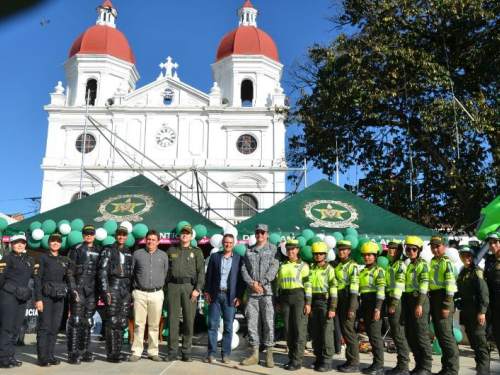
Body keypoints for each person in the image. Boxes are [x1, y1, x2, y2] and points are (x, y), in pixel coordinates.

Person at [240, 223, 280, 368]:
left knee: (269, 323)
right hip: (252, 293)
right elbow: (243, 269)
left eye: (263, 233)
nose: (260, 235)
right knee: (252, 323)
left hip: (267, 293)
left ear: (267, 234)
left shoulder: (274, 250)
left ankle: (269, 354)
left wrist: (261, 283)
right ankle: (254, 354)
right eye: (257, 232)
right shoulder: (248, 250)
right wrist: (252, 284)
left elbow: (274, 268)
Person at [165, 225, 205, 362]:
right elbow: (165, 270)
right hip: (173, 287)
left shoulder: (196, 251)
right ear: (179, 235)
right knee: (172, 320)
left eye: (187, 233)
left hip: (190, 288)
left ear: (191, 236)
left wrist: (197, 289)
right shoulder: (171, 250)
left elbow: (201, 272)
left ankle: (186, 351)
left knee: (189, 320)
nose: (184, 235)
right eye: (182, 233)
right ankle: (172, 351)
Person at [203, 233, 245, 364]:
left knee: (228, 327)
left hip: (230, 297)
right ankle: (211, 353)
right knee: (212, 325)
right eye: (226, 242)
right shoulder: (215, 257)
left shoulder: (239, 259)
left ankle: (225, 354)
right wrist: (206, 292)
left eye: (230, 243)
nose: (228, 244)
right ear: (223, 243)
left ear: (234, 244)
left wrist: (239, 296)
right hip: (215, 295)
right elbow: (208, 275)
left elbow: (241, 280)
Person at [129, 230, 169, 362]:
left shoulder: (163, 255)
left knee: (154, 325)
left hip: (156, 293)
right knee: (139, 324)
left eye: (153, 240)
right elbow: (132, 272)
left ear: (158, 241)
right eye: (149, 239)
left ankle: (153, 351)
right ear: (145, 240)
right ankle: (137, 351)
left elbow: (165, 272)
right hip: (140, 292)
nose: (151, 242)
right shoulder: (137, 254)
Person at [97, 226, 133, 363]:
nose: (121, 237)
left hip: (125, 290)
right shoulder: (108, 250)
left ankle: (117, 352)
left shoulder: (128, 251)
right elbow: (102, 272)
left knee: (122, 322)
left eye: (124, 235)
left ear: (127, 236)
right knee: (112, 321)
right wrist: (105, 291)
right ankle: (111, 354)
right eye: (119, 234)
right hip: (113, 287)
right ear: (115, 235)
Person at [67, 225, 101, 364]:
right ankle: (72, 353)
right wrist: (73, 287)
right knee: (75, 321)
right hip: (79, 287)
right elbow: (69, 271)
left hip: (92, 289)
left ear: (94, 235)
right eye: (86, 233)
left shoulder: (99, 250)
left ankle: (84, 350)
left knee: (88, 321)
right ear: (83, 235)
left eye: (91, 233)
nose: (89, 235)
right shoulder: (76, 249)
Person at [276, 239, 311, 371]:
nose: (290, 251)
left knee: (299, 330)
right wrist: (278, 301)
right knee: (288, 330)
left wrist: (308, 302)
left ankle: (297, 360)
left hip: (298, 297)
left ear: (297, 250)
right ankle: (291, 358)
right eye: (288, 249)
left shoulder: (303, 266)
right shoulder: (283, 265)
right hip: (285, 298)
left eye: (293, 249)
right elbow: (278, 285)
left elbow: (308, 285)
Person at [0, 235, 35, 369]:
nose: (20, 245)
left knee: (16, 329)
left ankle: (10, 356)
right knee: (7, 328)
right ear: (11, 245)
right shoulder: (7, 259)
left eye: (22, 243)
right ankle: (3, 358)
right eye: (16, 243)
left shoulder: (27, 260)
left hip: (22, 297)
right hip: (8, 296)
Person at [34, 232, 68, 367]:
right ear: (49, 243)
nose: (55, 243)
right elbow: (37, 280)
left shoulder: (63, 260)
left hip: (59, 298)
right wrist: (38, 299)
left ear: (61, 244)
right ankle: (42, 357)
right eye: (53, 241)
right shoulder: (42, 258)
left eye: (58, 241)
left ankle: (50, 355)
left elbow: (67, 278)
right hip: (46, 297)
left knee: (54, 328)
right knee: (45, 327)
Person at [456, 245, 490, 375]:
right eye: (464, 255)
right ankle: (479, 370)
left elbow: (484, 293)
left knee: (480, 343)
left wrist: (482, 312)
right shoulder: (463, 272)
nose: (466, 258)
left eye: (469, 255)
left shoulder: (477, 272)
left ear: (473, 256)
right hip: (466, 311)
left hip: (476, 311)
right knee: (474, 343)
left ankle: (483, 372)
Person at [428, 236, 459, 375]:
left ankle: (452, 369)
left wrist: (446, 306)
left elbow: (450, 286)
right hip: (434, 298)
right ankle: (445, 367)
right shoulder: (434, 261)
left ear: (444, 246)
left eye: (437, 246)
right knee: (440, 335)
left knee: (446, 336)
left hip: (443, 299)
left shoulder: (447, 262)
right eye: (433, 246)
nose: (435, 249)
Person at [403, 236, 432, 375]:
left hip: (420, 301)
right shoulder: (410, 265)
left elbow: (424, 286)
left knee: (421, 335)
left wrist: (419, 304)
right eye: (408, 249)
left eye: (414, 249)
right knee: (412, 335)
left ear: (419, 250)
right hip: (410, 301)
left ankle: (426, 367)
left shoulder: (423, 264)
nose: (411, 251)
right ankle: (419, 364)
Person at [308, 241, 337, 372]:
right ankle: (318, 358)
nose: (318, 256)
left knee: (326, 333)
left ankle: (327, 361)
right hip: (313, 303)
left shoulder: (329, 269)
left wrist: (332, 308)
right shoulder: (312, 269)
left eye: (320, 254)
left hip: (325, 303)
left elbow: (334, 290)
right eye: (316, 254)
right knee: (316, 332)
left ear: (325, 255)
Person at [332, 240, 360, 373]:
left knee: (349, 332)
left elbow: (354, 288)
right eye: (340, 249)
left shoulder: (352, 265)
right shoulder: (338, 266)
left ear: (349, 251)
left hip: (349, 299)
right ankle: (349, 361)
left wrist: (352, 307)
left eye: (344, 249)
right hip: (341, 300)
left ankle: (354, 363)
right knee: (345, 331)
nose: (341, 251)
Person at [359, 241, 386, 375]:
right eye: (365, 255)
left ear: (376, 256)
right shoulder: (363, 271)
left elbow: (381, 292)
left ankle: (379, 365)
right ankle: (375, 363)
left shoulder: (379, 271)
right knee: (370, 335)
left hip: (375, 304)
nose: (367, 257)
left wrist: (378, 309)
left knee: (375, 336)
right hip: (365, 304)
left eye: (370, 255)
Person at [385, 240, 410, 375]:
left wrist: (394, 304)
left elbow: (400, 285)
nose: (391, 251)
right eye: (389, 248)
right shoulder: (391, 264)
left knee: (399, 334)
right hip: (391, 299)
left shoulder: (400, 265)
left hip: (397, 301)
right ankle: (400, 365)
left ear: (399, 251)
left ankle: (403, 366)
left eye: (394, 249)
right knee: (395, 333)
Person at [484, 231, 500, 355]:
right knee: (497, 334)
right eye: (490, 243)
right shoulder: (489, 259)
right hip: (493, 303)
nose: (493, 245)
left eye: (495, 242)